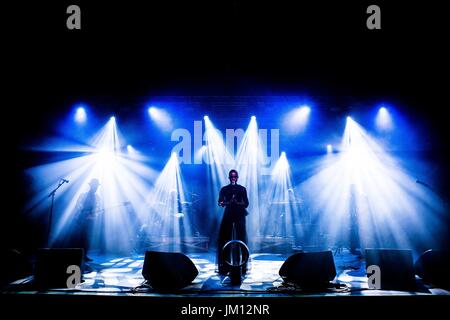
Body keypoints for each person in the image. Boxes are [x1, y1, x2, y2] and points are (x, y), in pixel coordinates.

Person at [217, 169, 249, 275]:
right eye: (231, 177)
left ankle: (243, 265)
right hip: (229, 214)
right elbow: (220, 202)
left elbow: (246, 203)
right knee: (225, 238)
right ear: (229, 177)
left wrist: (238, 202)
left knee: (242, 238)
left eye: (235, 177)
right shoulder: (225, 189)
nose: (233, 178)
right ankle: (224, 266)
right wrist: (228, 202)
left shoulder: (242, 189)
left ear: (237, 177)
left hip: (240, 214)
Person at [74, 178, 102, 261]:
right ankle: (78, 256)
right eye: (95, 186)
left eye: (97, 186)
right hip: (80, 220)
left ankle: (84, 255)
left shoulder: (98, 197)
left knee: (86, 239)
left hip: (90, 221)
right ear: (91, 185)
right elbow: (77, 205)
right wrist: (83, 213)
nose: (96, 187)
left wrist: (93, 215)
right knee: (79, 238)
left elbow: (98, 209)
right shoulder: (83, 195)